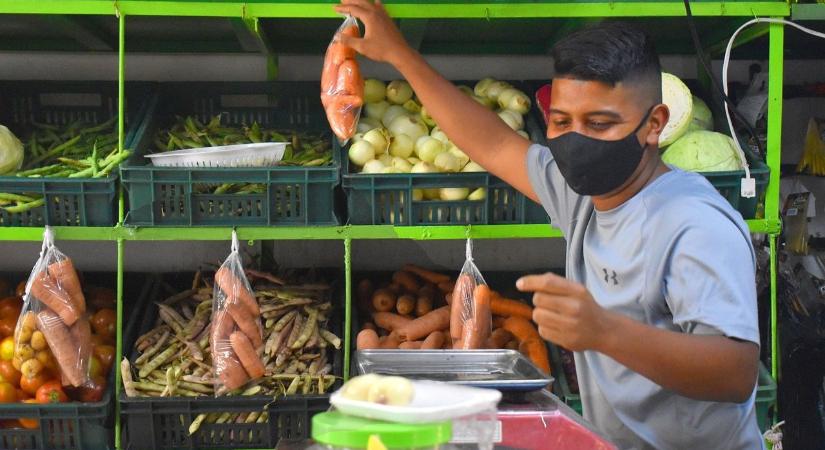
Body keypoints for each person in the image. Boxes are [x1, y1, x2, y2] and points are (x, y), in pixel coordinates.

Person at [334, 1, 764, 448]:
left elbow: (733, 372)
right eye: (561, 122)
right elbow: (494, 143)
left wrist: (604, 331)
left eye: (598, 124)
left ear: (654, 123)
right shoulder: (582, 193)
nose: (575, 140)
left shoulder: (694, 226)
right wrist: (400, 54)